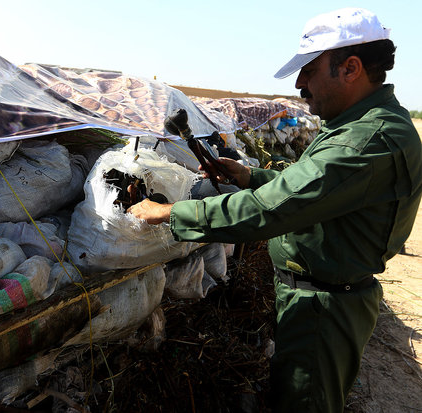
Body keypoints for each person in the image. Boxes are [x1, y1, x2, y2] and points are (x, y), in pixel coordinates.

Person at [128, 7, 422, 413]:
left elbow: (270, 211)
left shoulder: (363, 141)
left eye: (308, 69)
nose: (300, 84)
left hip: (321, 312)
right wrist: (249, 177)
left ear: (350, 68)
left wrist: (168, 214)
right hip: (318, 299)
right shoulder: (359, 128)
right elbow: (310, 190)